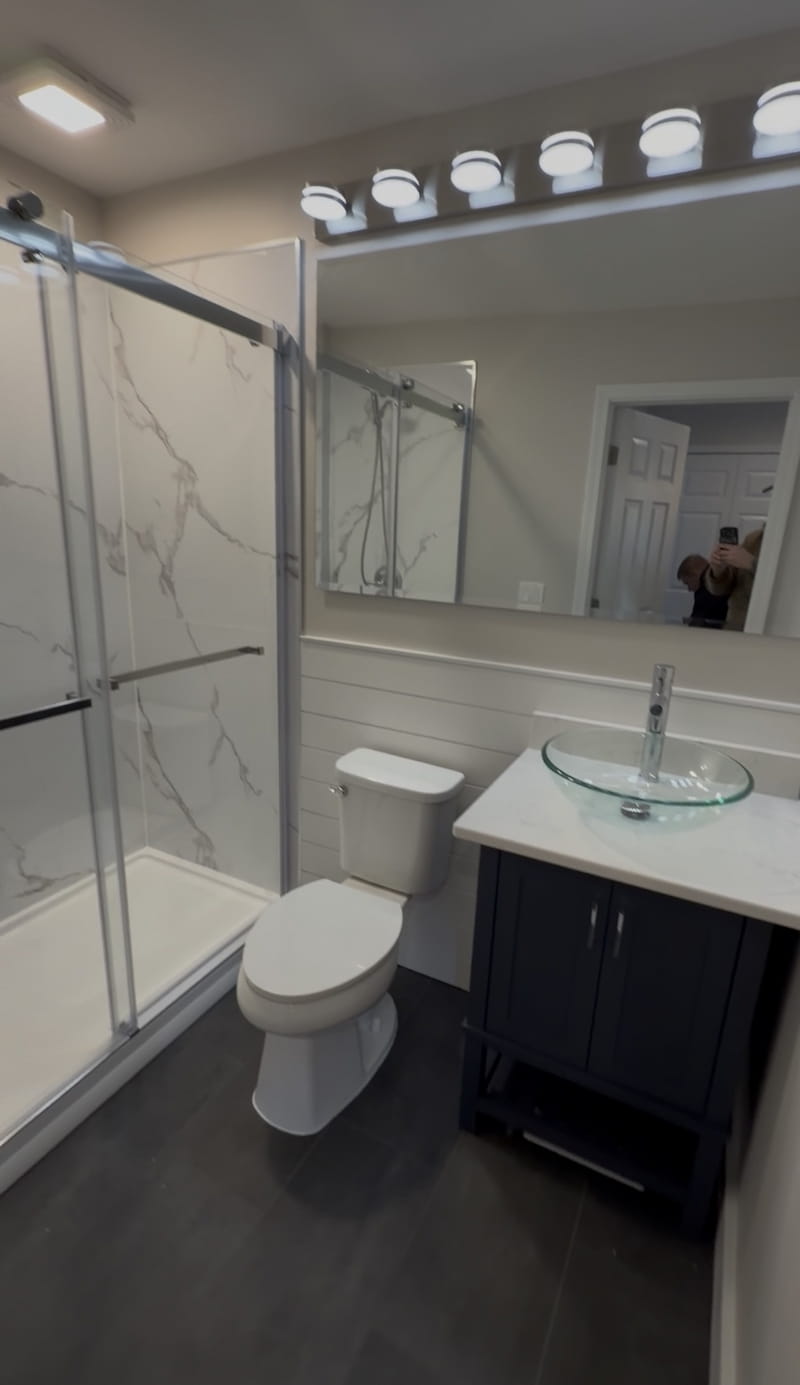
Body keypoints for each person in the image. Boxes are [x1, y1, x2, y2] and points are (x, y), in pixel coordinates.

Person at [704, 527, 764, 632]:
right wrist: (718, 571)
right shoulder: (753, 539)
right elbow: (720, 591)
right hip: (734, 627)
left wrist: (752, 564)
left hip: (767, 630)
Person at [676, 553, 729, 627]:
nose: (689, 589)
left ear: (694, 575)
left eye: (687, 583)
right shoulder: (721, 579)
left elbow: (697, 624)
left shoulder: (705, 590)